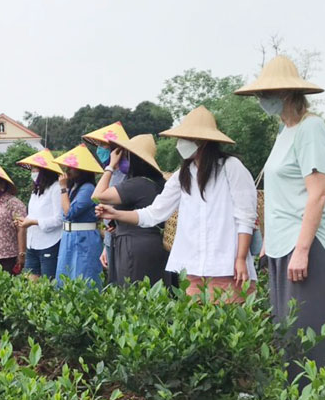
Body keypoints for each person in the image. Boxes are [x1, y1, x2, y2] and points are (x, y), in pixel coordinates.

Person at [234, 55, 325, 384]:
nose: (261, 101)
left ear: (286, 93)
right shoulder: (285, 131)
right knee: (286, 336)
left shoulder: (311, 128)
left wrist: (302, 248)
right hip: (282, 248)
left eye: (267, 94)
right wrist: (269, 244)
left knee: (310, 340)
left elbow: (318, 193)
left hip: (306, 247)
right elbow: (281, 195)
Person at [96, 106, 257, 302]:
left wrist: (240, 259)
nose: (181, 144)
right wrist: (115, 214)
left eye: (187, 139)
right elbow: (154, 213)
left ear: (203, 142)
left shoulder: (231, 168)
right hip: (192, 267)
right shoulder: (182, 175)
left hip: (226, 265)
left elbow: (245, 217)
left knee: (230, 323)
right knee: (199, 325)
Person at [90, 134, 167, 286]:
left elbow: (97, 195)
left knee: (132, 293)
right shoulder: (154, 182)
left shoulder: (137, 184)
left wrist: (110, 166)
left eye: (125, 155)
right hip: (149, 243)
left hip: (134, 246)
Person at [81, 122, 130, 283]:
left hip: (125, 237)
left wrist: (110, 166)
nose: (100, 149)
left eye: (103, 145)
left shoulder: (127, 175)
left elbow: (99, 196)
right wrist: (105, 246)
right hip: (111, 237)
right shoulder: (111, 173)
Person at [52, 144, 104, 288]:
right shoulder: (73, 187)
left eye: (71, 168)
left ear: (82, 170)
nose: (67, 171)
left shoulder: (88, 188)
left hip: (83, 237)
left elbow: (69, 212)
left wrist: (62, 188)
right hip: (69, 236)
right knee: (66, 275)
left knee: (83, 275)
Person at [14, 150, 64, 280]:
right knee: (32, 282)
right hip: (33, 242)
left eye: (35, 168)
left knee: (49, 282)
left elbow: (59, 219)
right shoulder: (36, 191)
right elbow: (35, 214)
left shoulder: (56, 188)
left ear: (44, 170)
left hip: (50, 242)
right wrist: (25, 220)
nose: (33, 172)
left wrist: (32, 222)